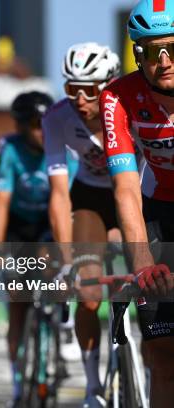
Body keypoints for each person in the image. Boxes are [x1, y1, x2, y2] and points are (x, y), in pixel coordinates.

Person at [100, 1, 174, 406]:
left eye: (172, 49)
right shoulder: (117, 97)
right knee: (162, 353)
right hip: (159, 211)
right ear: (136, 56)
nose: (163, 62)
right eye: (149, 51)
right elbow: (126, 187)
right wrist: (143, 264)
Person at [42, 42, 121, 408]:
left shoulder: (128, 108)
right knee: (88, 296)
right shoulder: (57, 118)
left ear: (109, 84)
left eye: (88, 88)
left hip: (136, 193)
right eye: (70, 88)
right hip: (90, 197)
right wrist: (66, 258)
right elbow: (59, 194)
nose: (79, 98)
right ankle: (93, 388)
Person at [0, 91, 77, 407]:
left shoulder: (64, 149)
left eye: (45, 125)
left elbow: (69, 205)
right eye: (34, 125)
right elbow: (0, 202)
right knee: (17, 298)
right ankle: (17, 381)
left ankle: (64, 325)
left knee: (52, 260)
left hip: (51, 224)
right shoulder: (10, 149)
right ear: (22, 127)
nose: (42, 131)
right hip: (19, 226)